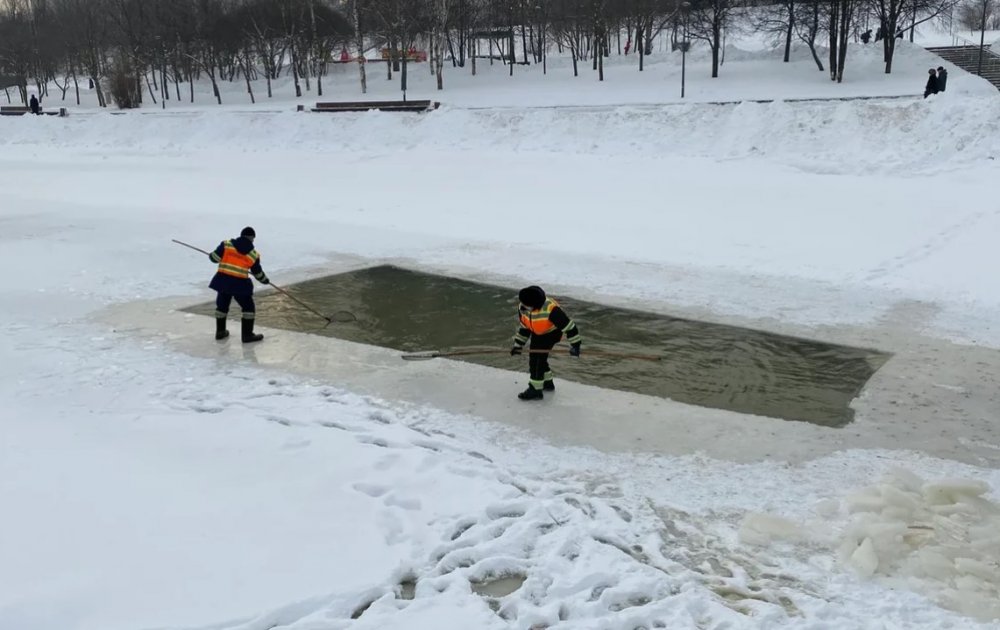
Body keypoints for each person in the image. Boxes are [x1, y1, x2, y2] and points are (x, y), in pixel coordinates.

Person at [510, 286, 582, 401]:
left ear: (535, 304)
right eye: (522, 303)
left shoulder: (551, 310)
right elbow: (525, 328)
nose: (523, 306)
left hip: (551, 333)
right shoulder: (523, 307)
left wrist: (575, 345)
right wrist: (518, 345)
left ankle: (535, 390)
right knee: (539, 358)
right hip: (537, 331)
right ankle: (547, 383)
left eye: (526, 305)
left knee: (536, 359)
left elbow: (570, 327)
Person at [208, 226, 269, 343]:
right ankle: (247, 335)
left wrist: (211, 255)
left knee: (222, 307)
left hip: (223, 282)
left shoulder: (226, 245)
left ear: (241, 235)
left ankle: (220, 332)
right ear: (252, 238)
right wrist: (265, 280)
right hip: (240, 285)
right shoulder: (253, 254)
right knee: (248, 308)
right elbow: (257, 273)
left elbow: (214, 258)